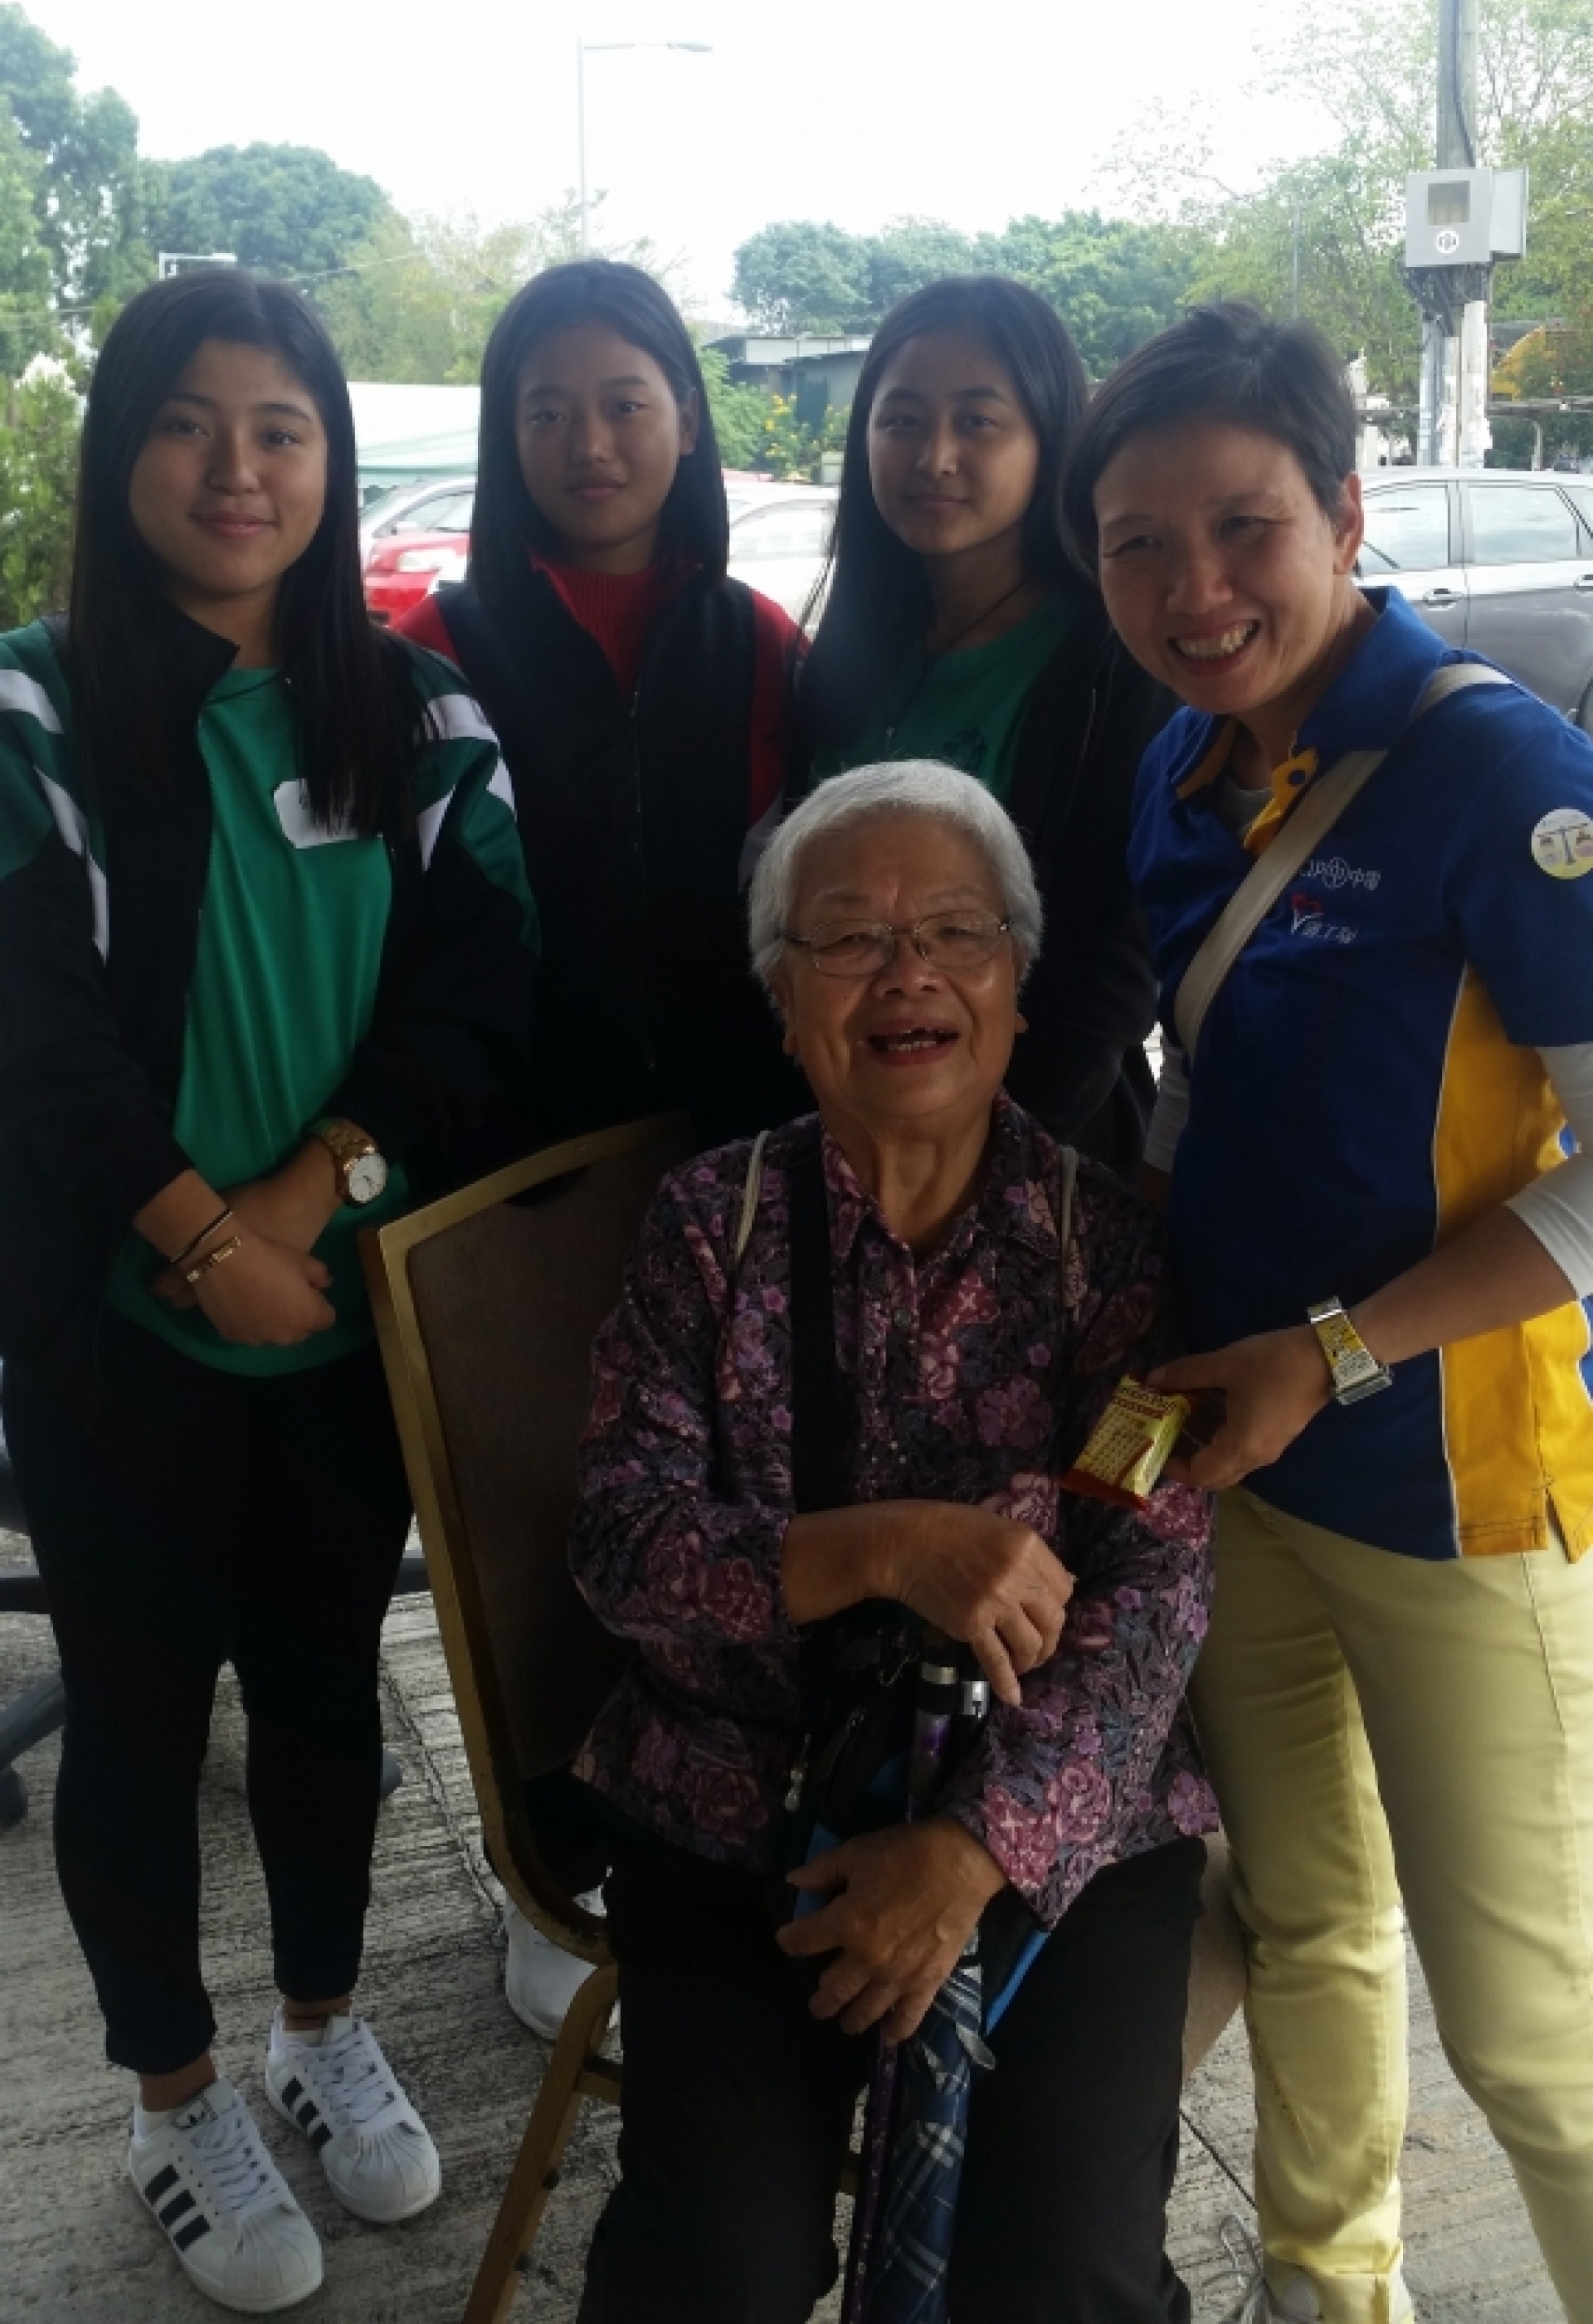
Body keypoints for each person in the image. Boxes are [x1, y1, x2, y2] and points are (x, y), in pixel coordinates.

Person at [0, 273, 533, 2315]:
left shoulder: (420, 715)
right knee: (137, 1723)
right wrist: (199, 1239)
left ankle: (322, 2025)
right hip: (117, 1328)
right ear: (121, 451)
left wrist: (305, 1203)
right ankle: (174, 2095)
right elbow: (33, 1026)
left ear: (331, 459)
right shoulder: (35, 709)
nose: (238, 468)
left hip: (336, 1320)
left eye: (281, 428)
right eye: (188, 423)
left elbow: (478, 990)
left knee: (325, 1702)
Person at [1064, 297, 1593, 2324]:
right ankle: (1326, 2281)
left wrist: (1338, 1352)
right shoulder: (1180, 770)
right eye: (1137, 542)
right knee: (1303, 1916)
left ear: (1346, 513)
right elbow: (1213, 1100)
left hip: (1453, 1487)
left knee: (1534, 2038)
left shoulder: (1494, 769)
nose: (1192, 588)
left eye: (1244, 526)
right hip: (1242, 1460)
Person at [566, 760, 1218, 2324]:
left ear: (1017, 985)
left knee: (1056, 2279)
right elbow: (620, 1542)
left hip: (1057, 1813)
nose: (908, 971)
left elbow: (1153, 1594)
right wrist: (879, 1548)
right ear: (785, 1004)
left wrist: (977, 1847)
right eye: (850, 937)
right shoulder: (708, 1229)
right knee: (714, 2276)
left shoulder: (1110, 1255)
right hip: (742, 1806)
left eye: (954, 932)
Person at [403, 258, 803, 1157]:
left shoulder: (763, 643)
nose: (589, 444)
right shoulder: (431, 655)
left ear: (688, 420)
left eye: (625, 405)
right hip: (506, 1152)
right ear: (506, 435)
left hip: (742, 1136)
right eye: (547, 414)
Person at [793, 275, 1167, 1174]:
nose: (935, 456)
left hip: (1031, 1159)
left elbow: (1112, 969)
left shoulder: (1112, 662)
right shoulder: (850, 649)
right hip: (840, 1148)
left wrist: (978, 1170)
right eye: (901, 420)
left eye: (978, 421)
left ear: (1049, 440)